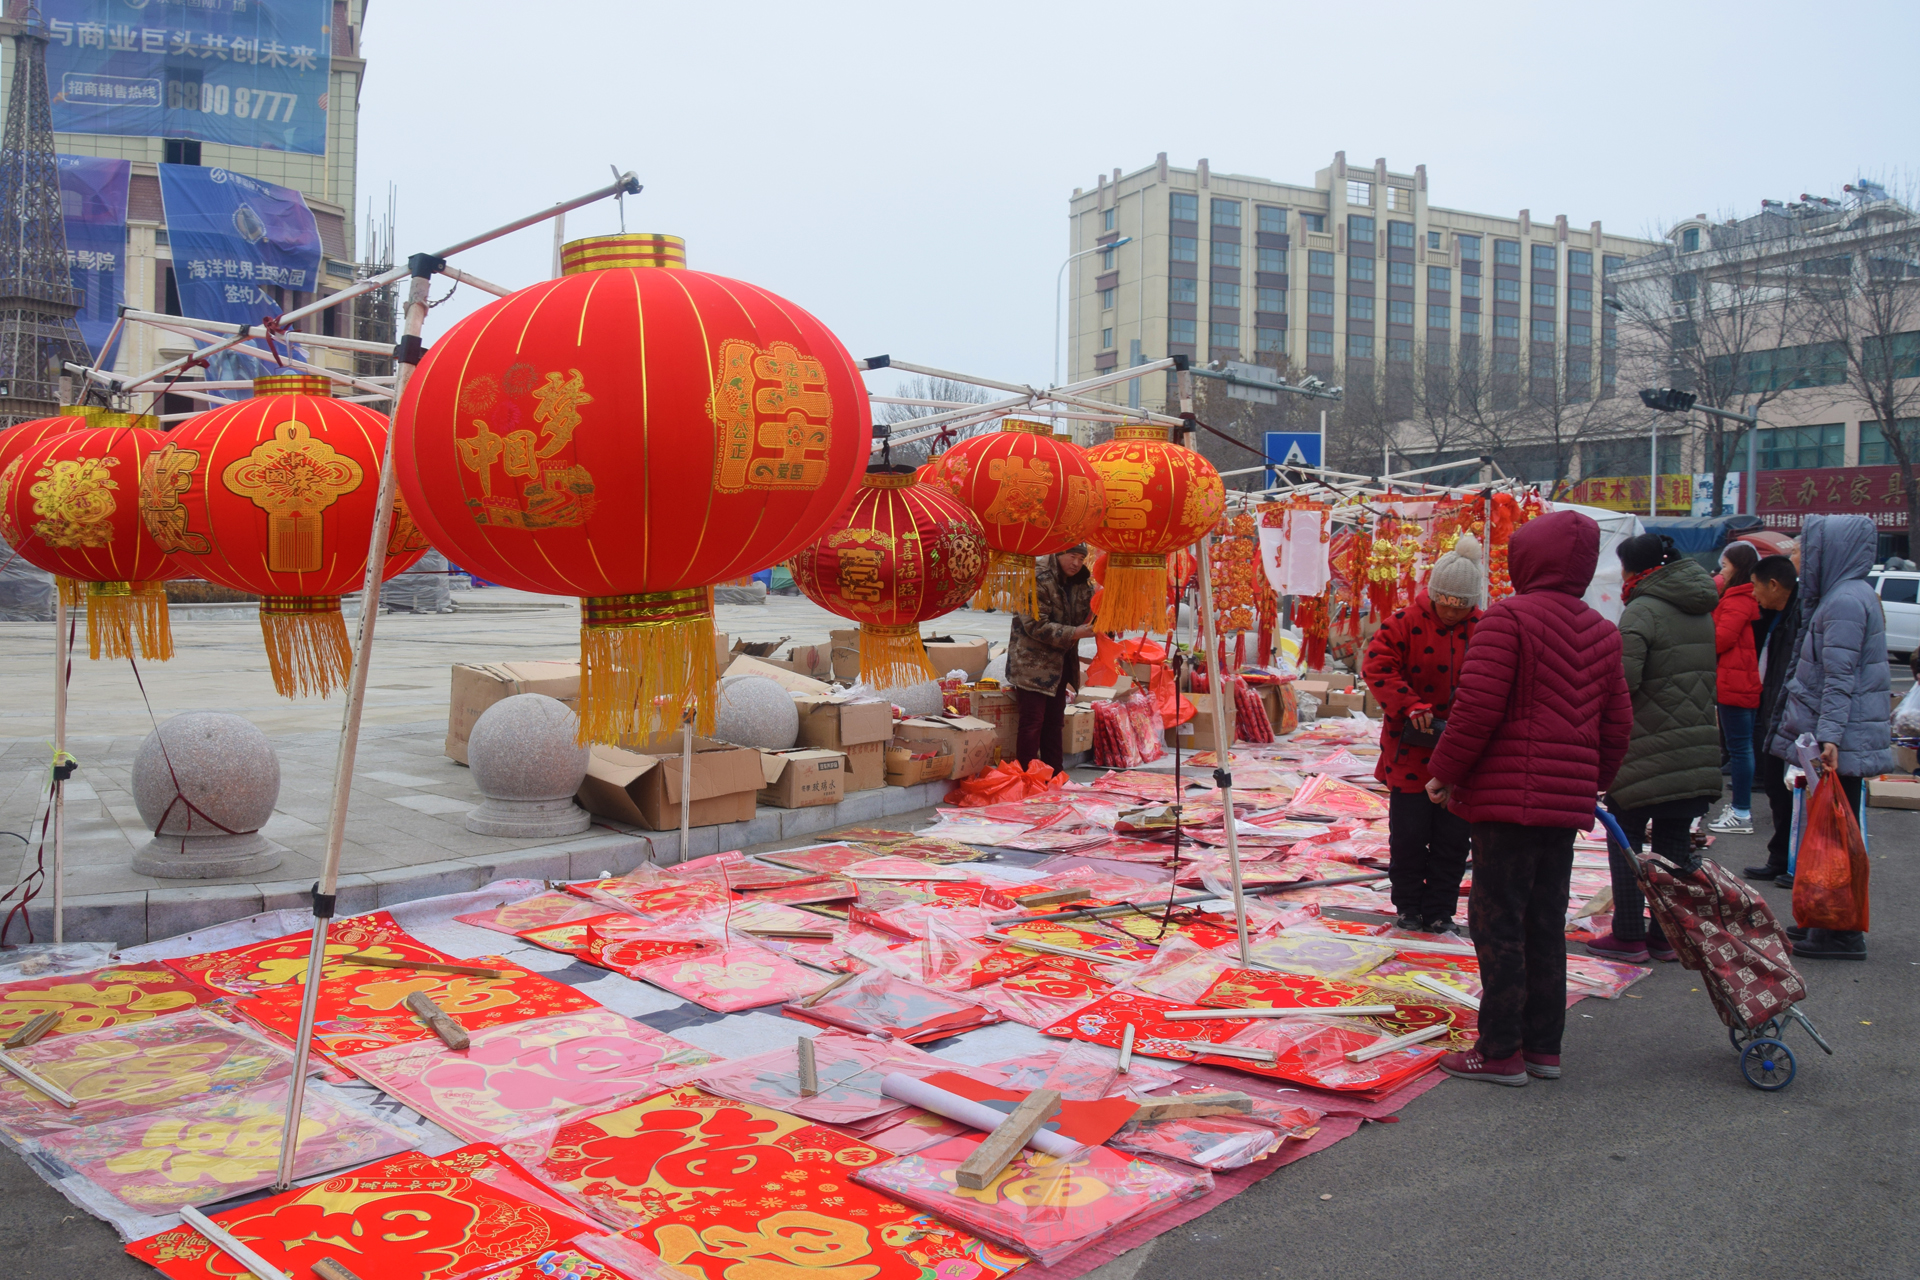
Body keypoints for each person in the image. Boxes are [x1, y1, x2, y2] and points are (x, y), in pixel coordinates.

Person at [1425, 511, 1634, 1086]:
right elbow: (1618, 726)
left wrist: (1444, 772)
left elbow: (1476, 711)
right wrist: (1589, 782)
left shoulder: (1507, 620)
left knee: (1498, 924)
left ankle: (1499, 1050)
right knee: (1545, 922)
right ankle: (1544, 1047)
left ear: (1526, 559)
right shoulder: (1602, 631)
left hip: (1505, 803)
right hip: (1563, 807)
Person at [1587, 534, 1724, 966]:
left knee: (1623, 836)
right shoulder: (1700, 610)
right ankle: (1664, 935)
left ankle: (1628, 933)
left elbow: (1621, 684)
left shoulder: (1643, 610)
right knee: (1672, 847)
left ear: (1637, 571)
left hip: (1646, 750)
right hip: (1694, 749)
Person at [1769, 514, 1891, 962]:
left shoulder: (1843, 601)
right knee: (1831, 836)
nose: (1796, 556)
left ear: (1830, 551)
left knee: (1833, 838)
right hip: (1840, 736)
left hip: (1840, 739)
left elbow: (1840, 679)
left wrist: (1829, 738)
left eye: (1804, 547)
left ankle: (1839, 931)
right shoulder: (1847, 595)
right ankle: (1822, 920)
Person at [1361, 533, 1483, 933]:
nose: (1450, 611)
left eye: (1460, 604)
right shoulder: (1402, 623)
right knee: (1410, 835)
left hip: (1464, 749)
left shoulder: (1487, 628)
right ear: (1433, 594)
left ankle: (1441, 910)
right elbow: (1377, 666)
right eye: (1445, 601)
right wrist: (1409, 704)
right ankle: (1408, 905)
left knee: (1453, 839)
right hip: (1409, 749)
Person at [1744, 554, 1805, 884]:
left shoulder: (1800, 616)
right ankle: (1779, 857)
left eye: (1755, 587)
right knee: (1775, 788)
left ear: (1774, 584)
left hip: (1790, 716)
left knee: (1791, 792)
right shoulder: (1778, 615)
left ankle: (1792, 861)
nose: (1754, 595)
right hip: (1773, 711)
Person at [1007, 545, 1095, 771]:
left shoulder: (1081, 582)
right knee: (1032, 723)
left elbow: (1087, 613)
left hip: (1061, 663)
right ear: (1057, 553)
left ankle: (1054, 775)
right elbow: (1035, 625)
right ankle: (1027, 777)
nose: (1076, 563)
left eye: (1081, 558)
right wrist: (1075, 633)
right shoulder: (1036, 577)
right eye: (1072, 556)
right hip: (1032, 664)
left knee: (1055, 723)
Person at [1708, 542, 1763, 834]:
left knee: (1740, 748)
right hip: (1737, 680)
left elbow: (1720, 639)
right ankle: (1740, 808)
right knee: (1741, 747)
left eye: (1726, 566)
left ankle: (1741, 811)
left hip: (1735, 683)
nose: (1722, 571)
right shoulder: (1740, 597)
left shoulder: (1738, 600)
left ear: (1739, 568)